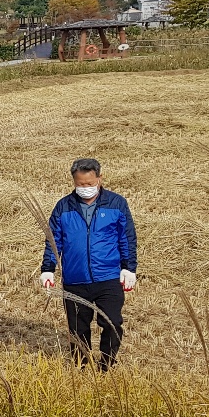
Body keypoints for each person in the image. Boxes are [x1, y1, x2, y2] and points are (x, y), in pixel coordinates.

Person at [40, 157, 138, 372]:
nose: (85, 188)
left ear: (99, 179)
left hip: (108, 278)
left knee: (112, 324)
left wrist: (129, 268)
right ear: (73, 181)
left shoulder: (116, 203)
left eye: (89, 183)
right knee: (77, 328)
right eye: (80, 184)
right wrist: (48, 269)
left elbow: (127, 238)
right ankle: (81, 366)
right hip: (75, 279)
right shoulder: (63, 206)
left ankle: (106, 365)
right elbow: (53, 239)